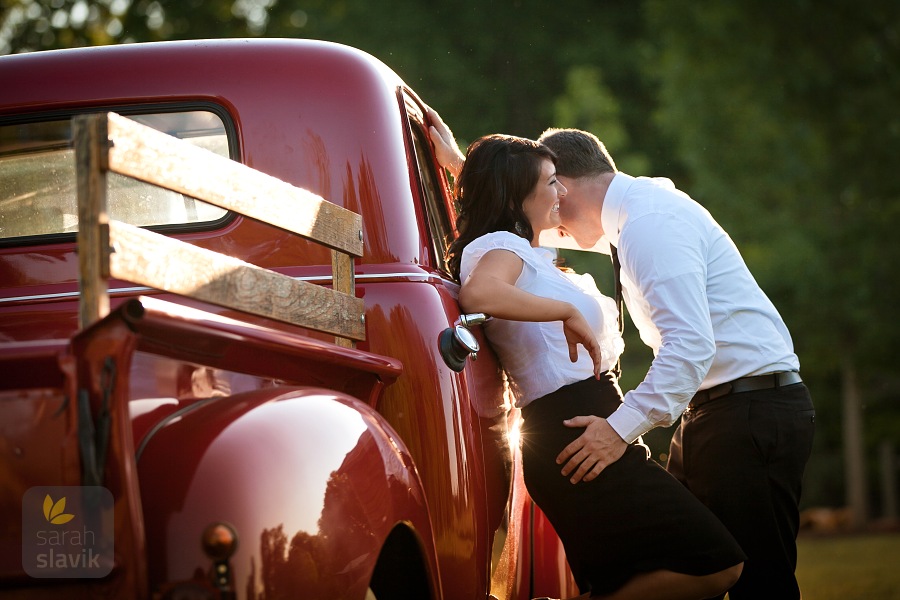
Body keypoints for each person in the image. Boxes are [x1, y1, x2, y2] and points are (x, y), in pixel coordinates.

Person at [438, 128, 744, 599]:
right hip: (571, 429)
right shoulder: (504, 246)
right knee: (714, 564)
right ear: (520, 195)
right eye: (551, 182)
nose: (561, 192)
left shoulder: (527, 250)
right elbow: (480, 293)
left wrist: (461, 165)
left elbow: (522, 209)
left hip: (589, 423)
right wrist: (564, 310)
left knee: (644, 577)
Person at [527, 127, 815, 600]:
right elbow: (549, 229)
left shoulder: (650, 223)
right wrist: (470, 172)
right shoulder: (633, 216)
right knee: (687, 567)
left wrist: (617, 429)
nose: (551, 217)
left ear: (563, 186)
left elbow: (690, 346)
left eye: (547, 193)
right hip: (722, 411)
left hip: (748, 413)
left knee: (758, 583)